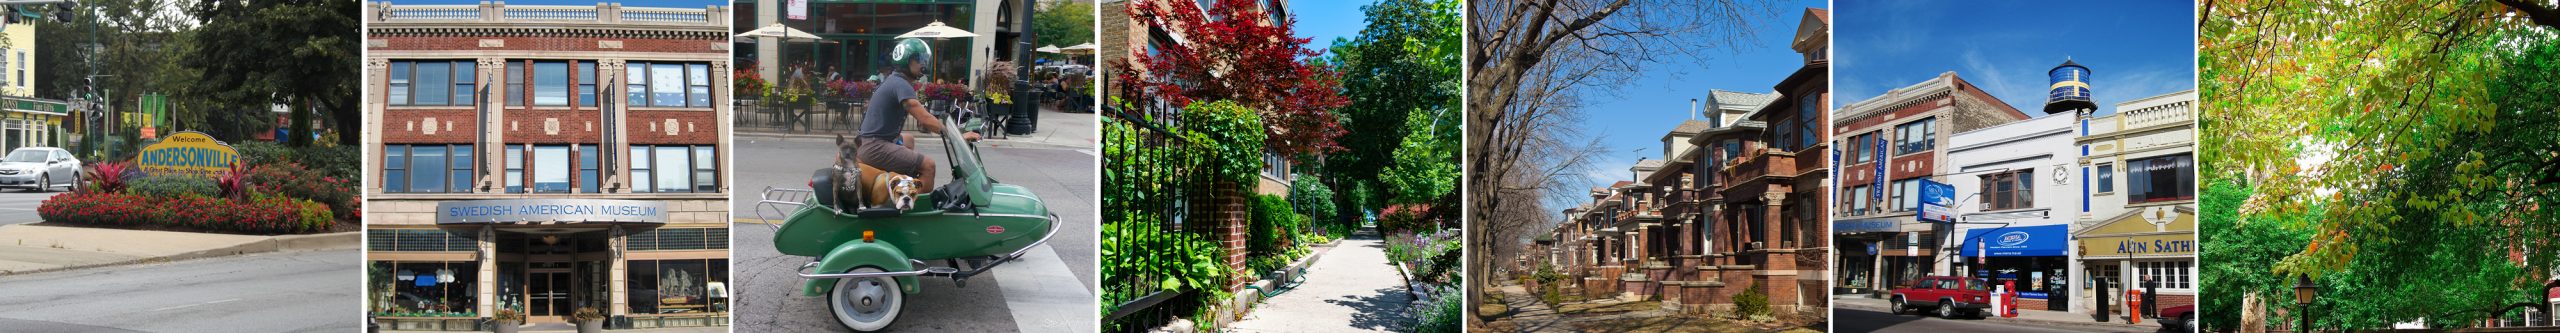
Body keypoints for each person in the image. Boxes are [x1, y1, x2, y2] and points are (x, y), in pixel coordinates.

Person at [855, 38, 979, 190]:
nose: (923, 64)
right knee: (928, 165)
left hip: (871, 141)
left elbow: (922, 115)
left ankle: (903, 185)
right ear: (907, 61)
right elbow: (924, 118)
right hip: (875, 146)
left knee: (909, 140)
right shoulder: (901, 84)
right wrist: (957, 136)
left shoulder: (895, 80)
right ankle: (918, 205)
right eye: (920, 60)